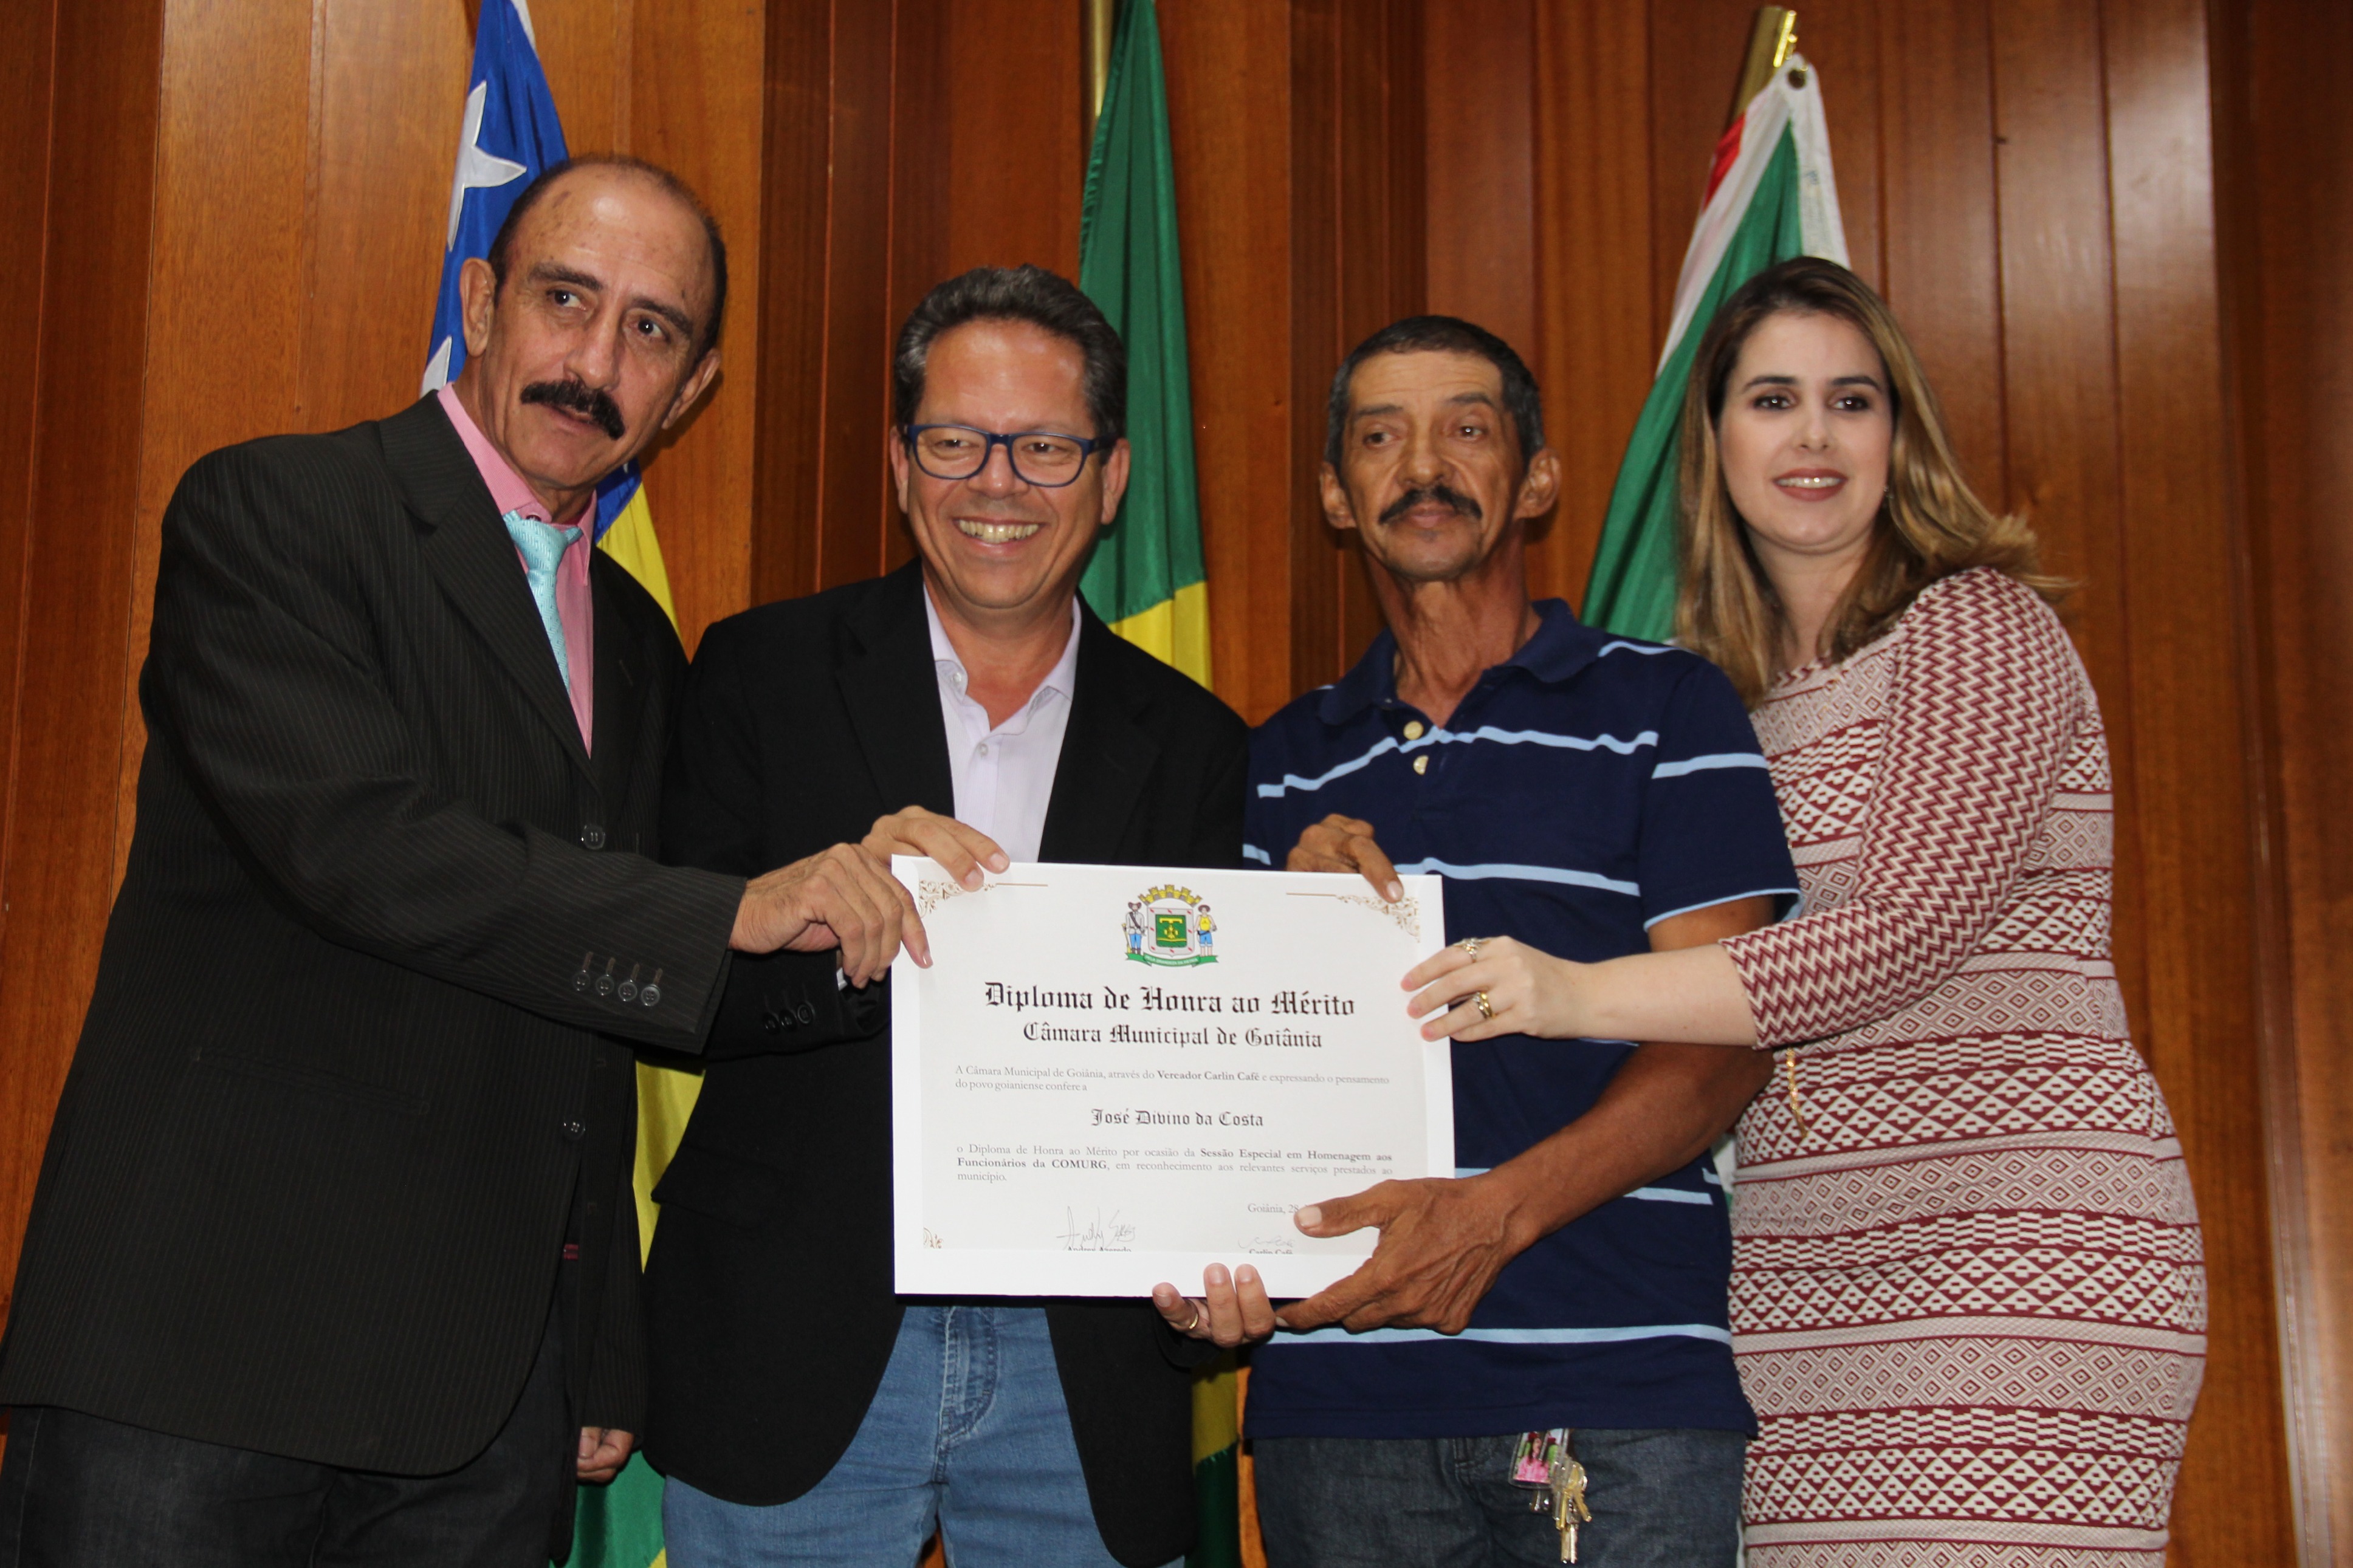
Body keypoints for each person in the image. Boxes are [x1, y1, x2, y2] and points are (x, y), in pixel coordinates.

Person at [0, 157, 932, 1568]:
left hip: (485, 1405)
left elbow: (601, 1007)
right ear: (483, 304)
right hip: (198, 1352)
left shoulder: (635, 639)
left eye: (651, 330)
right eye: (567, 299)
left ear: (692, 388)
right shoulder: (281, 511)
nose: (595, 363)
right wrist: (734, 908)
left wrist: (898, 928)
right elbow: (364, 849)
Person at [1403, 259, 2206, 1566]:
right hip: (1793, 1277)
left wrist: (1570, 990)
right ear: (1716, 442)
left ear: (1901, 436)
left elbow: (1900, 931)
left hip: (2019, 1243)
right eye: (1773, 400)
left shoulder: (1976, 626)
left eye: (1852, 400)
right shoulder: (1717, 704)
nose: (1814, 436)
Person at [642, 265, 1270, 1568]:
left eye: (1045, 447)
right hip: (792, 1346)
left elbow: (1204, 1072)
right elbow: (673, 989)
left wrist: (1227, 1253)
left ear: (1111, 477)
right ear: (899, 461)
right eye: (955, 442)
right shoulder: (758, 673)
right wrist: (830, 929)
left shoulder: (1199, 745)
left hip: (1082, 1372)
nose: (998, 483)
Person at [1243, 316, 1802, 1567]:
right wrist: (1282, 922)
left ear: (1536, 477)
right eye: (1379, 438)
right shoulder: (1278, 762)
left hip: (1616, 1390)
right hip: (1340, 1400)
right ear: (1336, 494)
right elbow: (1229, 1069)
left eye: (1467, 428)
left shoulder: (1669, 706)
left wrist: (1494, 1217)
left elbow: (1729, 1041)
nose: (1421, 465)